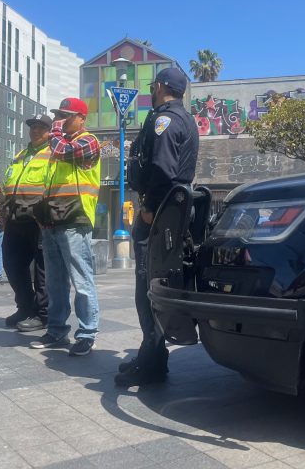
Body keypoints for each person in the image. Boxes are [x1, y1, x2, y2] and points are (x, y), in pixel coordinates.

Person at [115, 67, 199, 387]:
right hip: (171, 214)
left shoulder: (164, 120)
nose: (151, 90)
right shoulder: (185, 118)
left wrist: (150, 208)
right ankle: (151, 355)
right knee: (153, 287)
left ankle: (150, 363)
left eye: (153, 86)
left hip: (159, 214)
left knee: (146, 288)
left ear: (161, 86)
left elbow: (164, 170)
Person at [30, 98, 101, 356]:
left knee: (81, 279)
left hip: (76, 217)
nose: (60, 118)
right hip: (52, 219)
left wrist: (56, 131)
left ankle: (87, 333)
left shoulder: (87, 140)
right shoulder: (56, 146)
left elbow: (63, 150)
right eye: (58, 114)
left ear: (82, 118)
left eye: (66, 115)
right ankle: (57, 330)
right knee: (55, 281)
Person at [1, 114, 52, 332]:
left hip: (38, 219)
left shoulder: (53, 153)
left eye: (41, 127)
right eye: (33, 127)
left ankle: (42, 314)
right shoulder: (22, 155)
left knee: (42, 270)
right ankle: (25, 306)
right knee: (12, 264)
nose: (35, 131)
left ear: (49, 131)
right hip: (15, 218)